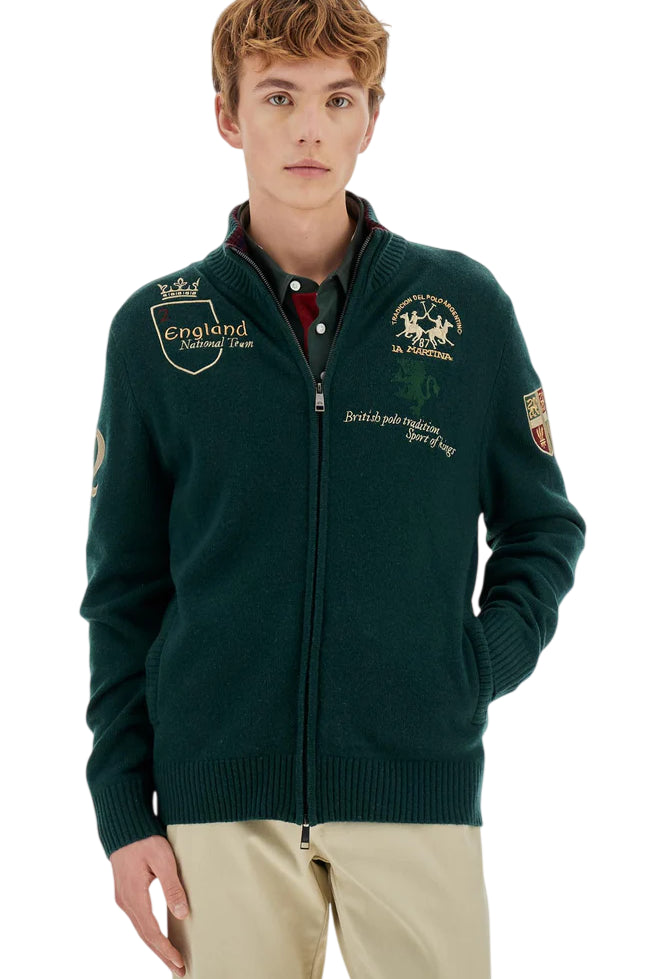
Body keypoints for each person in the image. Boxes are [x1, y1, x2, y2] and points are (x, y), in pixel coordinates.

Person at [79, 1, 587, 976]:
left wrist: (471, 666)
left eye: (337, 99)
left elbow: (540, 526)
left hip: (415, 789)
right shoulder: (156, 330)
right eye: (278, 97)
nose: (309, 129)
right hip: (217, 807)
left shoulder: (462, 309)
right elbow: (123, 590)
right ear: (227, 116)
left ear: (370, 119)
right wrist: (122, 809)